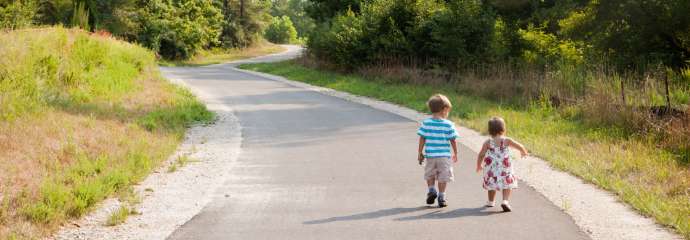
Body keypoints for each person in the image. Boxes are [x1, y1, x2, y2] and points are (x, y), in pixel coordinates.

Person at [475, 117, 528, 212]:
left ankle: (491, 201)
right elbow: (519, 145)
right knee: (507, 184)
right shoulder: (506, 140)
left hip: (491, 169)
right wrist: (523, 151)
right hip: (505, 168)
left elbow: (481, 154)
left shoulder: (488, 142)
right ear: (503, 129)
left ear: (490, 130)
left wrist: (478, 165)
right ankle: (505, 201)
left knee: (492, 183)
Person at [417, 94, 458, 208]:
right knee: (443, 176)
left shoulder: (426, 123)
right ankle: (441, 196)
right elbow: (453, 140)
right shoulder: (449, 124)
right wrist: (455, 152)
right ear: (444, 109)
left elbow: (422, 138)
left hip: (430, 155)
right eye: (448, 110)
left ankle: (431, 190)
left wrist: (420, 152)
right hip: (444, 156)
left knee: (430, 174)